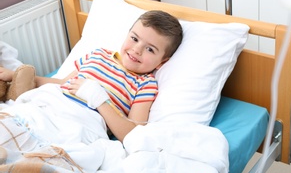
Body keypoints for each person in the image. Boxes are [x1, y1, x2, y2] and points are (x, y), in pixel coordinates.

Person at [0, 10, 183, 142]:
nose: (136, 49)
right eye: (134, 38)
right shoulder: (98, 55)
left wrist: (99, 99)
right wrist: (15, 76)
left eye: (150, 49)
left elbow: (131, 134)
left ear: (162, 62)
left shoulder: (145, 84)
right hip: (50, 103)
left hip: (81, 123)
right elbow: (62, 83)